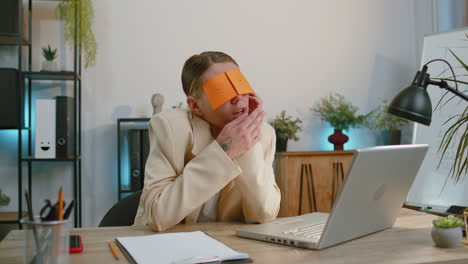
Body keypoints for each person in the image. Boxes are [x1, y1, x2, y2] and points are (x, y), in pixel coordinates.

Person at [134, 51, 281, 231]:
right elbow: (157, 215)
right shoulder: (170, 127)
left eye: (240, 84)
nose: (238, 97)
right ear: (195, 106)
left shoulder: (264, 134)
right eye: (222, 90)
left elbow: (264, 213)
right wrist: (224, 152)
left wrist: (246, 142)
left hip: (229, 247)